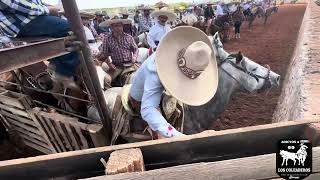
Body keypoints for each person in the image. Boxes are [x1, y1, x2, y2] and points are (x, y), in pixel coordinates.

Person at [129, 26, 219, 138]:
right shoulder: (155, 71)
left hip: (161, 91)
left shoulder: (185, 56)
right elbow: (147, 109)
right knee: (158, 137)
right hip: (140, 99)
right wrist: (178, 137)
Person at [0, 0, 79, 87]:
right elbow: (12, 4)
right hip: (21, 22)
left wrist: (48, 8)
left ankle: (55, 65)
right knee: (70, 28)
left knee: (59, 32)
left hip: (26, 19)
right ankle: (63, 73)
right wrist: (47, 10)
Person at [98, 16, 139, 83]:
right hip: (117, 66)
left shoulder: (129, 37)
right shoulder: (107, 39)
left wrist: (134, 57)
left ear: (122, 26)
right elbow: (105, 53)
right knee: (109, 81)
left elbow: (135, 49)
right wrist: (109, 64)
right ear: (111, 27)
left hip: (130, 64)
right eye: (116, 26)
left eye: (120, 26)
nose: (118, 28)